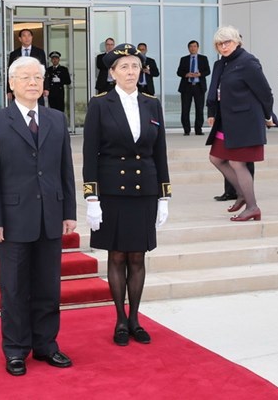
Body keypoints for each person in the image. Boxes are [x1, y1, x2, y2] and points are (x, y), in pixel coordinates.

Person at [0, 56, 76, 377]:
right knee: (15, 287)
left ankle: (47, 345)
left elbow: (65, 169)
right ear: (11, 83)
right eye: (25, 78)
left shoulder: (57, 119)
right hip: (12, 218)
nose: (33, 82)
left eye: (37, 77)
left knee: (48, 286)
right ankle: (16, 349)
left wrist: (69, 212)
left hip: (51, 215)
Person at [83, 43, 171, 347]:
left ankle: (135, 318)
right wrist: (91, 197)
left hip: (144, 190)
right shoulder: (99, 104)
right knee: (117, 255)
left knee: (138, 256)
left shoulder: (151, 103)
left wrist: (164, 195)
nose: (130, 72)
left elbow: (160, 152)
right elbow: (89, 154)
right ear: (112, 73)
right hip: (112, 191)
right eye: (124, 67)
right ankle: (120, 319)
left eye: (135, 66)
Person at [206, 26, 275, 221]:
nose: (223, 47)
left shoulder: (248, 62)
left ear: (237, 42)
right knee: (216, 158)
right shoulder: (221, 64)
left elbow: (265, 92)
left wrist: (268, 116)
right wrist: (212, 111)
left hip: (245, 121)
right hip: (226, 121)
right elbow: (214, 90)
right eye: (219, 44)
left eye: (227, 42)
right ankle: (243, 194)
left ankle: (252, 206)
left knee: (237, 162)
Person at [7, 28, 49, 105]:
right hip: (20, 84)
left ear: (32, 37)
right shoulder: (14, 54)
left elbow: (44, 71)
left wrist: (46, 87)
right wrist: (9, 90)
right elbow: (10, 73)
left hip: (34, 84)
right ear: (20, 39)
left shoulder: (40, 52)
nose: (27, 38)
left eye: (29, 36)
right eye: (24, 36)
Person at [177, 40, 210, 135]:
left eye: (195, 46)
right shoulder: (184, 59)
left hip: (199, 87)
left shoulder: (203, 58)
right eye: (191, 46)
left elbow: (208, 71)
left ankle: (198, 130)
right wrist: (186, 74)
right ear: (188, 48)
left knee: (199, 109)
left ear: (198, 48)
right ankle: (186, 130)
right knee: (185, 109)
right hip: (186, 87)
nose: (193, 48)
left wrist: (200, 74)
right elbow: (179, 72)